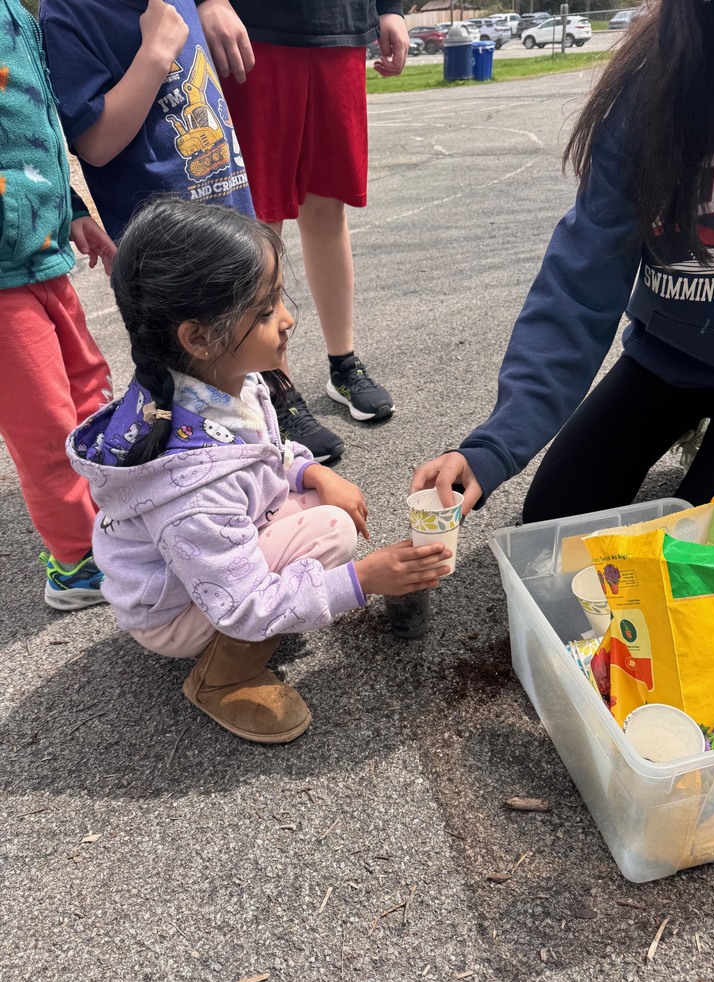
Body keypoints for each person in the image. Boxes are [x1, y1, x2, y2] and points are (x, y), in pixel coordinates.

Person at [68, 198, 451, 744]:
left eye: (278, 300)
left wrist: (308, 473)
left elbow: (263, 453)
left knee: (325, 508)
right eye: (266, 311)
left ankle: (256, 599)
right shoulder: (194, 488)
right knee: (334, 533)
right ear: (199, 338)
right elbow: (245, 606)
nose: (287, 319)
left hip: (189, 563)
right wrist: (363, 581)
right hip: (171, 614)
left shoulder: (219, 384)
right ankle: (224, 677)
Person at [412, 0, 714, 524]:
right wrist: (494, 444)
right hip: (668, 358)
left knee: (699, 549)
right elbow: (582, 276)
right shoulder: (655, 77)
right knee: (554, 518)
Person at [194, 0, 410, 463]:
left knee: (328, 206)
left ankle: (343, 364)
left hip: (341, 29)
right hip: (256, 28)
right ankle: (275, 387)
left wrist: (390, 8)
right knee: (258, 218)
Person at [0, 0, 114, 610]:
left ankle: (109, 522)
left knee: (90, 390)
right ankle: (75, 563)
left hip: (43, 257)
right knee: (46, 428)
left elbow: (32, 133)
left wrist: (70, 210)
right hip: (2, 282)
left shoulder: (17, 15)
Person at [38, 0, 254, 243]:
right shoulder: (66, 12)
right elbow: (94, 145)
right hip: (167, 250)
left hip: (237, 223)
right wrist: (156, 54)